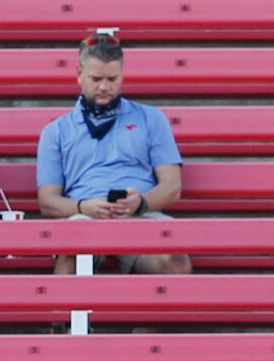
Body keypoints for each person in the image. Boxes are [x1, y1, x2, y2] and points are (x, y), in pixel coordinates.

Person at [34, 32, 190, 275]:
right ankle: (62, 313)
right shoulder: (56, 131)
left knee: (175, 262)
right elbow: (48, 201)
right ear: (78, 74)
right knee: (71, 256)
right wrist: (84, 207)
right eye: (96, 79)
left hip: (141, 213)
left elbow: (172, 186)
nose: (104, 87)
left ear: (122, 76)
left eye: (112, 79)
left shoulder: (151, 119)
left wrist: (141, 203)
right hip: (84, 214)